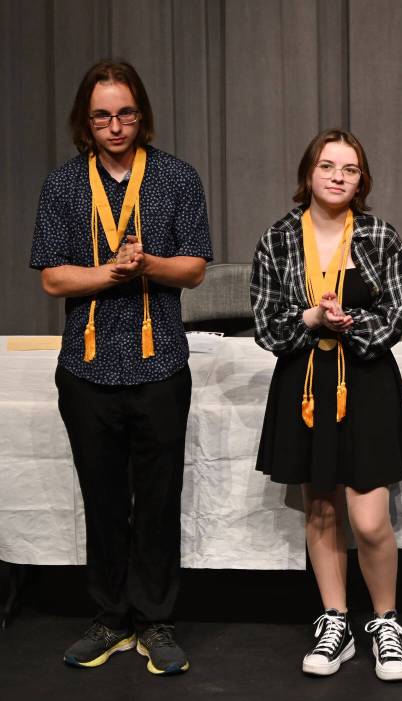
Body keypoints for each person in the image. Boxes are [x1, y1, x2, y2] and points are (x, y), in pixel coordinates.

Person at [30, 60, 212, 675]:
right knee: (103, 499)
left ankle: (155, 620)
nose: (116, 125)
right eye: (103, 115)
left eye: (126, 113)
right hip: (86, 371)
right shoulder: (63, 185)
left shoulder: (175, 178)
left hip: (159, 363)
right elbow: (54, 277)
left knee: (159, 500)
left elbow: (192, 268)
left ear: (142, 115)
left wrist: (148, 265)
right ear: (87, 119)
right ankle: (110, 617)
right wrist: (115, 271)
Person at [251, 129, 402, 681]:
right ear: (309, 173)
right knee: (320, 508)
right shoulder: (279, 238)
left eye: (350, 169)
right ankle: (335, 621)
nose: (338, 176)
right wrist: (312, 319)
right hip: (303, 380)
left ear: (361, 180)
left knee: (368, 519)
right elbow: (266, 324)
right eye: (328, 166)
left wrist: (348, 322)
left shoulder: (378, 237)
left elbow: (394, 316)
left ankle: (386, 622)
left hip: (364, 382)